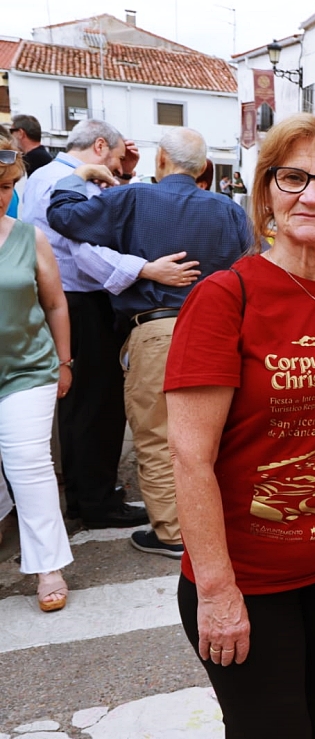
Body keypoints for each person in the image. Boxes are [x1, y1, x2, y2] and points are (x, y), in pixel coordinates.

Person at [163, 113, 315, 738]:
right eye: (293, 178)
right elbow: (188, 458)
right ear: (265, 191)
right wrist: (216, 591)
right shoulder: (223, 297)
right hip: (254, 579)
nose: (312, 196)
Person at [47, 128, 253, 559]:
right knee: (219, 434)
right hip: (219, 332)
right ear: (204, 169)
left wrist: (79, 174)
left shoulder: (134, 199)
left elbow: (63, 216)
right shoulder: (228, 211)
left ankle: (174, 534)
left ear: (161, 160)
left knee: (159, 436)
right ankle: (219, 522)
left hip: (157, 330)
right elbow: (254, 265)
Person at [21, 119, 192, 530]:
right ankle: (97, 500)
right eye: (115, 158)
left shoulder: (45, 174)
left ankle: (86, 494)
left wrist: (124, 172)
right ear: (99, 146)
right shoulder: (65, 181)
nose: (118, 166)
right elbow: (86, 247)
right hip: (82, 301)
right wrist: (147, 269)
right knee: (99, 406)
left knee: (80, 406)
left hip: (67, 301)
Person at [0, 141, 74, 611]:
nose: (0, 194)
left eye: (6, 186)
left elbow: (55, 303)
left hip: (27, 369)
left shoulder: (30, 237)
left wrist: (64, 362)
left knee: (29, 461)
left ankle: (48, 564)